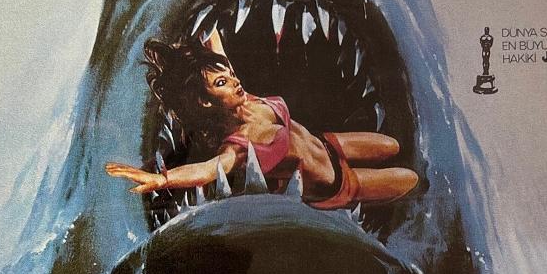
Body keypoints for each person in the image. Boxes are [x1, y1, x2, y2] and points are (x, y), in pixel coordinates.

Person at [106, 35, 418, 208]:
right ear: (205, 101)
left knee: (392, 146)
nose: (234, 81)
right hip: (337, 185)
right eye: (221, 83)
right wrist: (164, 180)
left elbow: (216, 48)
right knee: (410, 180)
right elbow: (206, 170)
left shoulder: (245, 98)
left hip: (330, 144)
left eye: (229, 75)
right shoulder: (239, 146)